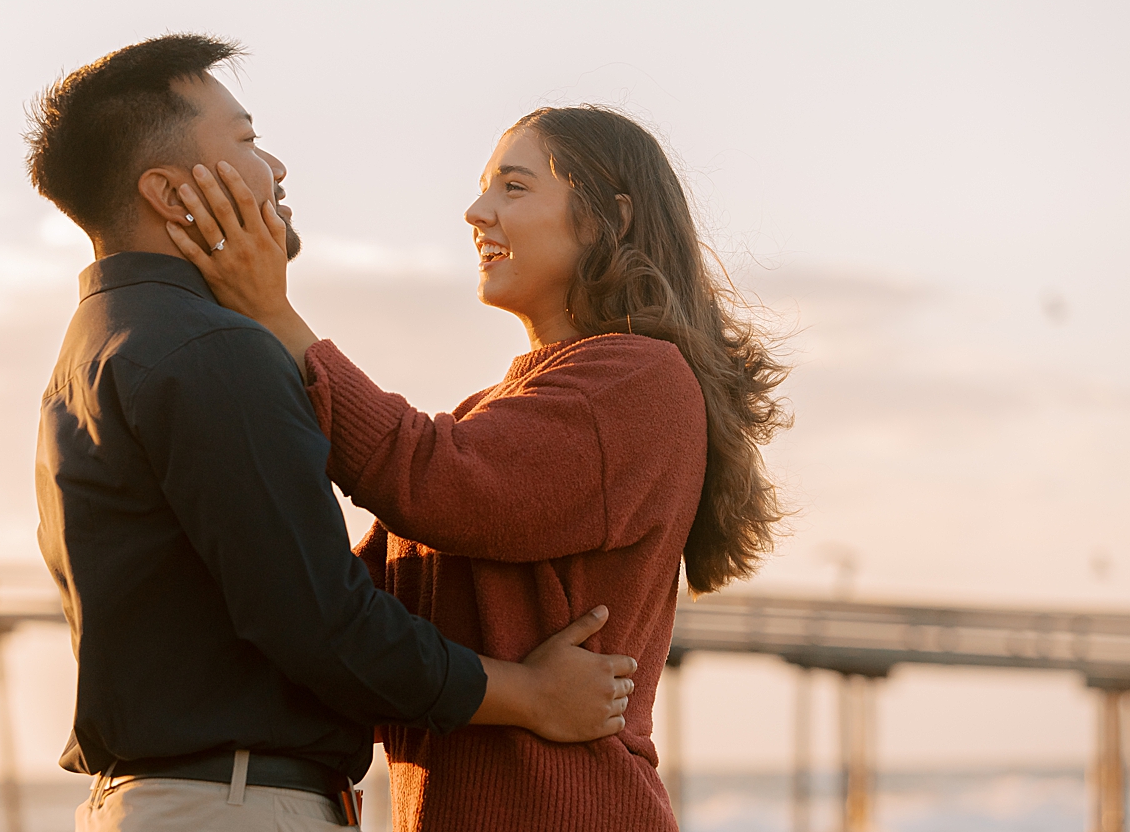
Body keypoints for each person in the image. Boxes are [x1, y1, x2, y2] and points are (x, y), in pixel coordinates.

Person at [27, 35, 637, 832]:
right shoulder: (211, 349)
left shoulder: (98, 345)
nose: (275, 167)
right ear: (173, 194)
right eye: (246, 141)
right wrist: (526, 691)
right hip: (234, 806)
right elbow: (322, 618)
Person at [168, 104, 790, 830]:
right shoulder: (492, 413)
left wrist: (274, 312)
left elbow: (433, 479)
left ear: (610, 218)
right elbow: (359, 629)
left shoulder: (637, 380)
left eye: (513, 188)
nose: (476, 211)